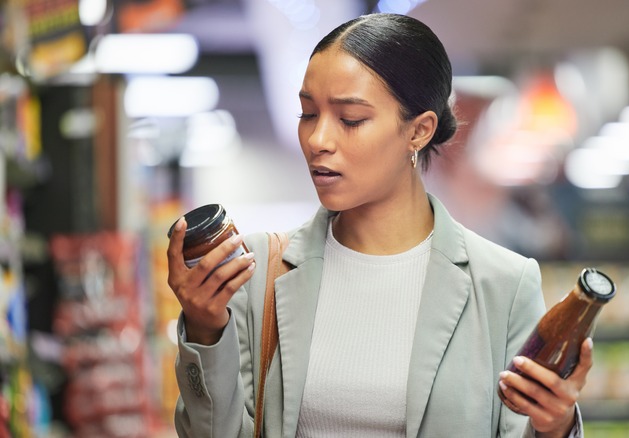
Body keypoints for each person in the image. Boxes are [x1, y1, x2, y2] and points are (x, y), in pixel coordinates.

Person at [167, 12, 592, 438]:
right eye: (308, 114)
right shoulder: (258, 271)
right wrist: (205, 330)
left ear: (419, 131)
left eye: (350, 119)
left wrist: (554, 426)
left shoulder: (504, 284)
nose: (318, 140)